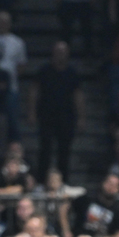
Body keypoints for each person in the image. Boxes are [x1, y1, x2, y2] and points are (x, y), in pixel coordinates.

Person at [28, 42, 83, 182]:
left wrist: (81, 117)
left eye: (63, 51)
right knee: (45, 150)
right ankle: (41, 181)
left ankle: (63, 181)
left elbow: (77, 96)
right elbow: (34, 91)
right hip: (46, 115)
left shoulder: (72, 73)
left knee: (64, 151)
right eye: (58, 51)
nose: (60, 54)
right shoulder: (44, 71)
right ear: (53, 53)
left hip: (66, 116)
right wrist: (32, 112)